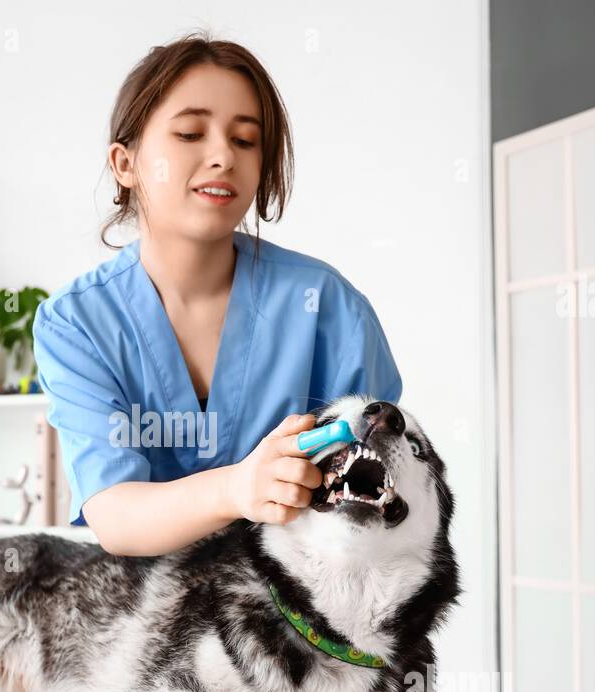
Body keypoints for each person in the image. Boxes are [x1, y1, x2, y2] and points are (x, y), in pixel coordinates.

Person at [33, 33, 401, 557]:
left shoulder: (328, 307)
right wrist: (236, 489)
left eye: (245, 140)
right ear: (124, 163)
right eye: (189, 133)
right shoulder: (75, 323)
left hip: (300, 621)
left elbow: (370, 491)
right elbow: (115, 514)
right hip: (147, 619)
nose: (223, 156)